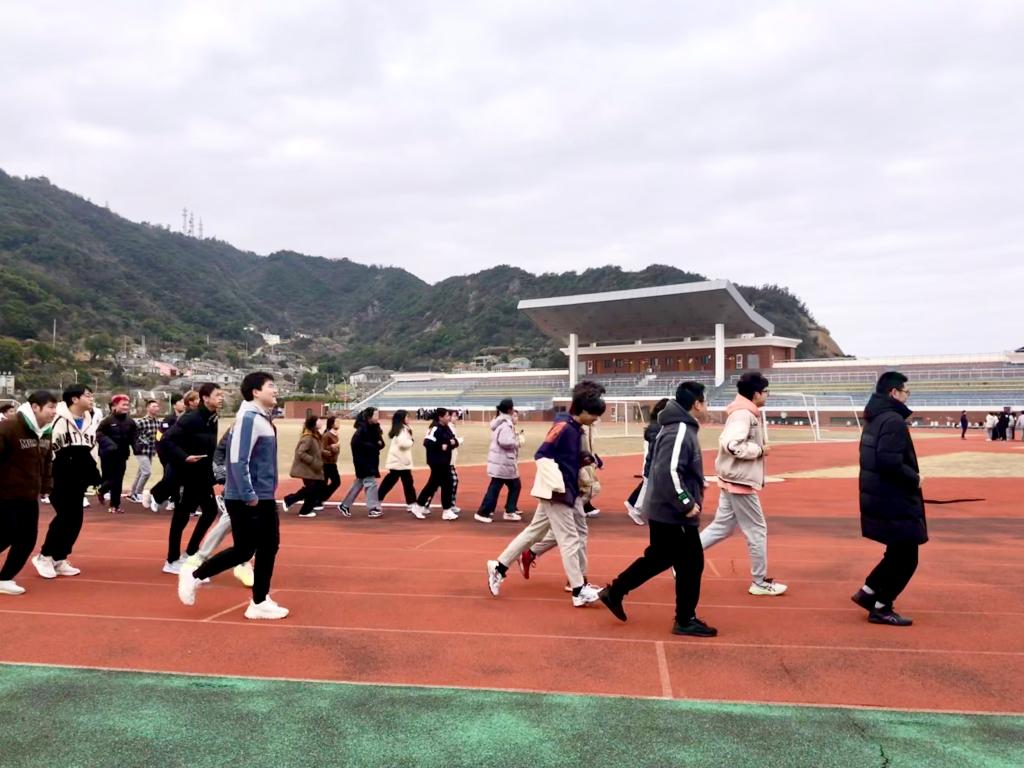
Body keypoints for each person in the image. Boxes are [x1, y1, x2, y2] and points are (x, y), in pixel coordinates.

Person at [597, 382, 716, 637]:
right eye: (705, 402)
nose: (707, 407)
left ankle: (615, 591)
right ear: (697, 403)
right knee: (691, 563)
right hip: (673, 512)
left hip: (664, 508)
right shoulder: (679, 430)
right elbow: (667, 471)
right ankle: (685, 619)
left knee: (660, 558)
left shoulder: (677, 427)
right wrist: (685, 502)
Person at [485, 381, 607, 607]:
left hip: (568, 490)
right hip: (557, 492)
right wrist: (557, 485)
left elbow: (566, 456)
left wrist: (585, 459)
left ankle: (499, 566)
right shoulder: (563, 427)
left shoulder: (575, 428)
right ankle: (578, 589)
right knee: (569, 539)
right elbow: (542, 454)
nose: (596, 419)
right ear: (582, 410)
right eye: (594, 415)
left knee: (536, 532)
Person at [179, 371, 287, 620]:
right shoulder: (249, 419)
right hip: (248, 497)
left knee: (259, 548)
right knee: (249, 550)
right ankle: (195, 575)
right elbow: (238, 460)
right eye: (271, 386)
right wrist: (249, 495)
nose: (276, 390)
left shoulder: (261, 418)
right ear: (255, 392)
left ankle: (259, 601)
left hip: (259, 495)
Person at [700, 372, 788, 597]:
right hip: (739, 482)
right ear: (756, 393)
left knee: (722, 527)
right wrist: (759, 450)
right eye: (766, 391)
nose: (767, 395)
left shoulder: (743, 412)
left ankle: (682, 558)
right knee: (757, 530)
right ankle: (759, 582)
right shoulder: (743, 415)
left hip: (732, 479)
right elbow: (732, 444)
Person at [851, 372, 926, 627]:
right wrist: (914, 478)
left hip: (881, 495)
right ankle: (882, 607)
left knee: (896, 551)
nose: (907, 396)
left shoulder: (875, 418)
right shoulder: (893, 420)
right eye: (906, 392)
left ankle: (868, 592)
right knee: (908, 557)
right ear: (894, 393)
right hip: (893, 497)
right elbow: (888, 461)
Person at [33, 385, 100, 580]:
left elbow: (91, 448)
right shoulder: (57, 418)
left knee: (76, 519)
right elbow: (45, 448)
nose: (92, 399)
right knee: (65, 516)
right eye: (88, 395)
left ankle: (60, 557)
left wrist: (93, 472)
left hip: (78, 476)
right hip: (58, 475)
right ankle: (44, 556)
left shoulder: (90, 418)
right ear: (75, 399)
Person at [161, 383, 223, 574]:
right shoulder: (191, 418)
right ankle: (171, 560)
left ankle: (190, 552)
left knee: (210, 512)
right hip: (186, 475)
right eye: (218, 395)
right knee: (181, 516)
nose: (221, 398)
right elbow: (166, 440)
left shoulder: (213, 417)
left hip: (203, 475)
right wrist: (184, 457)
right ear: (205, 398)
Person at [0, 391, 58, 595]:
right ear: (35, 407)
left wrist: (46, 486)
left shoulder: (46, 431)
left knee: (27, 538)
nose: (54, 412)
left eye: (55, 407)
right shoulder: (9, 427)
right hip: (5, 494)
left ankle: (5, 578)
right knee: (7, 533)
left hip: (29, 494)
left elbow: (47, 461)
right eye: (50, 407)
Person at [474, 399, 526, 524]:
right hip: (503, 462)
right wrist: (518, 441)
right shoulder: (506, 424)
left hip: (501, 462)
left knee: (505, 486)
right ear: (509, 409)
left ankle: (505, 510)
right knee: (508, 486)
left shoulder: (500, 422)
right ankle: (487, 512)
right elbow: (505, 442)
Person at [624, 398, 669, 526]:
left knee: (650, 488)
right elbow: (655, 447)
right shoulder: (656, 427)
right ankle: (636, 510)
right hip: (654, 465)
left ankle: (634, 505)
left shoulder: (659, 425)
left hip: (655, 464)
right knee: (648, 489)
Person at [410, 408, 461, 520]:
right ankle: (421, 506)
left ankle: (445, 510)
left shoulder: (446, 428)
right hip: (436, 461)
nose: (449, 418)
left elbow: (453, 441)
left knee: (441, 484)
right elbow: (427, 442)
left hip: (444, 461)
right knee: (437, 484)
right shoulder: (435, 428)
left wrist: (450, 443)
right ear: (440, 417)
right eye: (447, 416)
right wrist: (441, 446)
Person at [149, 392, 193, 512]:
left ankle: (176, 502)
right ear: (174, 405)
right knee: (170, 479)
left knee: (182, 479)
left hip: (183, 454)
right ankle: (160, 496)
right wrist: (163, 455)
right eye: (181, 402)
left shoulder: (188, 417)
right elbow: (159, 438)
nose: (183, 404)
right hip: (169, 455)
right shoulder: (168, 420)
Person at [339, 407, 385, 518]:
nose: (377, 417)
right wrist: (372, 446)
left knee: (359, 483)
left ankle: (345, 505)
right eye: (375, 415)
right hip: (363, 461)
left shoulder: (374, 428)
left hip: (371, 460)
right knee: (371, 482)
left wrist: (377, 445)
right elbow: (355, 443)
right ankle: (373, 508)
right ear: (369, 417)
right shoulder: (362, 430)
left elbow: (380, 443)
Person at [95, 394, 138, 515]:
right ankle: (102, 491)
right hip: (107, 455)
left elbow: (134, 437)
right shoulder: (107, 421)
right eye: (123, 405)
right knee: (110, 478)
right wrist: (110, 445)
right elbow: (99, 434)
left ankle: (114, 505)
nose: (126, 407)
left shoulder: (130, 422)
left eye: (127, 405)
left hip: (121, 455)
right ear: (114, 406)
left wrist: (136, 448)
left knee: (117, 479)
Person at [282, 415, 326, 518]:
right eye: (319, 420)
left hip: (312, 468)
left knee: (314, 488)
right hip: (307, 468)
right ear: (314, 424)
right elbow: (301, 452)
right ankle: (290, 500)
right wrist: (313, 461)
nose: (321, 422)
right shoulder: (308, 437)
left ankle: (305, 510)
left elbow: (317, 450)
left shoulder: (315, 435)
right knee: (311, 489)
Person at [378, 410, 417, 511]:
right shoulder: (402, 430)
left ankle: (411, 502)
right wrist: (411, 441)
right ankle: (411, 503)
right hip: (399, 461)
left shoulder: (402, 428)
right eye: (407, 417)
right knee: (402, 482)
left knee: (395, 481)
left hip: (399, 460)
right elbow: (403, 444)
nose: (408, 419)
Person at [129, 399, 161, 504]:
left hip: (151, 451)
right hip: (141, 450)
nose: (156, 408)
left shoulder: (158, 422)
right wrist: (141, 442)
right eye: (153, 406)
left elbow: (159, 436)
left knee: (140, 473)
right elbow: (134, 435)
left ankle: (132, 493)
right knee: (147, 472)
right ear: (147, 408)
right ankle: (138, 493)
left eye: (157, 406)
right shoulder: (141, 421)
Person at [320, 416, 342, 507]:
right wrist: (333, 447)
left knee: (325, 483)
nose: (339, 424)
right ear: (332, 424)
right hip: (326, 463)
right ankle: (319, 499)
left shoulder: (335, 434)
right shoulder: (327, 435)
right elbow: (322, 449)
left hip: (332, 462)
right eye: (337, 422)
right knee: (335, 482)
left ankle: (319, 499)